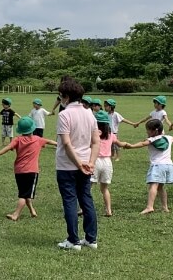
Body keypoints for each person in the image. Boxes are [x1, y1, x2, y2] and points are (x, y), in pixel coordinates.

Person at [53, 77, 99, 251]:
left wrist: (78, 163)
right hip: (86, 163)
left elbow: (66, 143)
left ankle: (73, 240)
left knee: (70, 201)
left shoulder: (64, 114)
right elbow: (96, 142)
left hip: (67, 165)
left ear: (65, 97)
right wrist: (90, 162)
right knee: (86, 199)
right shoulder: (89, 113)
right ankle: (91, 239)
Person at [118, 119, 173, 214]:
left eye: (148, 130)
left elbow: (142, 144)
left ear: (154, 131)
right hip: (168, 165)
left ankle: (150, 207)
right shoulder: (168, 138)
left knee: (153, 186)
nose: (147, 132)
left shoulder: (151, 140)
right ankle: (165, 207)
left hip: (157, 166)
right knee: (161, 187)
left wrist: (131, 146)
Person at [0, 116, 56, 221]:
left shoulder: (17, 140)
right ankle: (16, 215)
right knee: (24, 194)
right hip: (31, 171)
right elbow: (50, 141)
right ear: (33, 128)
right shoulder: (38, 139)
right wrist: (61, 144)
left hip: (19, 171)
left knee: (24, 191)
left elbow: (7, 148)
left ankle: (32, 211)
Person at [91, 111, 117, 217]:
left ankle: (84, 208)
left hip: (95, 161)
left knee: (88, 188)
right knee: (105, 189)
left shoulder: (94, 134)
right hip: (107, 162)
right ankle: (108, 210)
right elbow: (119, 143)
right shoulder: (111, 135)